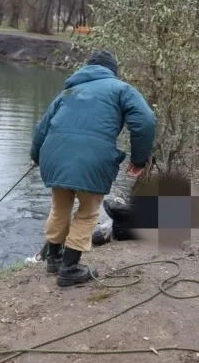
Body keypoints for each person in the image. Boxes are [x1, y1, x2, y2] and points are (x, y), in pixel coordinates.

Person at [30, 50, 156, 287]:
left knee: (60, 208)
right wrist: (139, 160)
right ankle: (69, 269)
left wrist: (36, 156)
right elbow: (146, 120)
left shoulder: (68, 92)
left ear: (87, 69)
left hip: (55, 156)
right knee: (88, 212)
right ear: (113, 70)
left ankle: (54, 259)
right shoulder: (121, 89)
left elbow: (42, 127)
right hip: (94, 159)